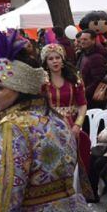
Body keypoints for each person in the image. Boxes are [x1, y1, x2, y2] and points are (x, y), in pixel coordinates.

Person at [0, 27, 89, 211]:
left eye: (0, 87)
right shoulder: (57, 118)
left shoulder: (13, 127)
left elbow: (8, 192)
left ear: (19, 88)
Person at [41, 42, 93, 200]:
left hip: (71, 126)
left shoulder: (74, 79)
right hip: (47, 126)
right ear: (45, 62)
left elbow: (83, 105)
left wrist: (78, 124)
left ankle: (70, 194)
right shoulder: (41, 82)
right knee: (50, 163)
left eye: (58, 57)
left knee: (72, 159)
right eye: (51, 58)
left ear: (63, 59)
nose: (55, 61)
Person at [76, 30, 107, 108]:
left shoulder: (97, 57)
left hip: (91, 100)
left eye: (85, 39)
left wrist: (83, 92)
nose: (82, 42)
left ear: (93, 40)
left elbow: (98, 80)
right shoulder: (83, 54)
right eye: (81, 39)